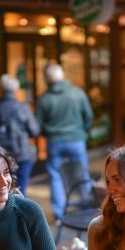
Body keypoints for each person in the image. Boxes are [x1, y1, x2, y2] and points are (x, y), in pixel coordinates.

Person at [36, 63, 94, 221]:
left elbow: (38, 125)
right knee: (81, 173)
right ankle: (87, 208)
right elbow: (88, 116)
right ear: (62, 76)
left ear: (48, 79)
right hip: (76, 140)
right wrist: (83, 131)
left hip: (54, 142)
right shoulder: (77, 93)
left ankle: (60, 214)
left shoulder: (44, 99)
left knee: (55, 176)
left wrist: (47, 132)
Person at [0, 74, 40, 196]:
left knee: (3, 189)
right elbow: (34, 131)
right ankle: (21, 212)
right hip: (23, 155)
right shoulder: (23, 108)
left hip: (1, 156)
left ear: (1, 90)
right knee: (21, 189)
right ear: (15, 90)